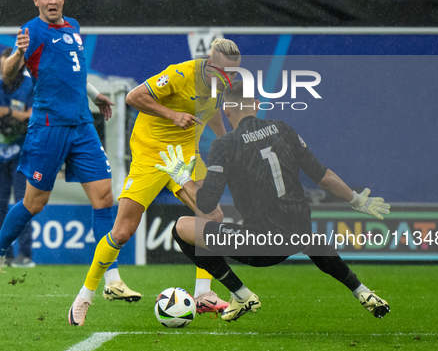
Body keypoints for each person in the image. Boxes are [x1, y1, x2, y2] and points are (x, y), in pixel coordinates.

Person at [154, 80, 392, 322]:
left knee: (182, 227)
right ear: (256, 105)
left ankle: (240, 293)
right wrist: (356, 200)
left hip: (262, 246)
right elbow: (323, 177)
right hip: (299, 234)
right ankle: (362, 291)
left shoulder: (224, 145)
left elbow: (205, 205)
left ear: (226, 110)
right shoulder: (283, 129)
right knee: (307, 235)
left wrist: (183, 178)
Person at [0, 0, 140, 304]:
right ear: (36, 1)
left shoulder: (74, 27)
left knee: (104, 198)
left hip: (81, 124)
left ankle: (112, 278)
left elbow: (73, 72)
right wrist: (17, 55)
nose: (52, 1)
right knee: (34, 203)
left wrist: (95, 95)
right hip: (49, 127)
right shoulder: (31, 32)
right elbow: (9, 75)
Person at [67, 39, 242, 326]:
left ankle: (204, 293)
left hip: (186, 155)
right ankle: (85, 296)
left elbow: (211, 118)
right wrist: (172, 115)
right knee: (122, 232)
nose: (229, 77)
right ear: (210, 62)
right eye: (225, 70)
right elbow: (134, 97)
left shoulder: (220, 87)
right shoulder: (180, 74)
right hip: (151, 155)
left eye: (234, 72)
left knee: (213, 214)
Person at [0, 48, 34, 267]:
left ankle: (25, 254)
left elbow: (37, 114)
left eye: (8, 66)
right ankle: (3, 253)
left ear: (18, 66)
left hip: (22, 153)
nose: (4, 71)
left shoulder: (30, 85)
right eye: (2, 66)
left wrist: (7, 113)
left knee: (23, 203)